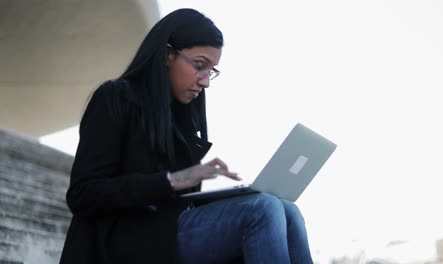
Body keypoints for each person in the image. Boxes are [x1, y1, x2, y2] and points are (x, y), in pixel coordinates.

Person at [59, 8, 314, 264]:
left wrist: (226, 197)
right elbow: (84, 195)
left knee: (287, 210)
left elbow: (178, 204)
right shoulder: (115, 97)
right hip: (121, 239)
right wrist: (172, 180)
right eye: (200, 66)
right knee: (263, 209)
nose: (206, 82)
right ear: (167, 54)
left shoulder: (182, 119)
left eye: (211, 71)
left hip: (165, 233)